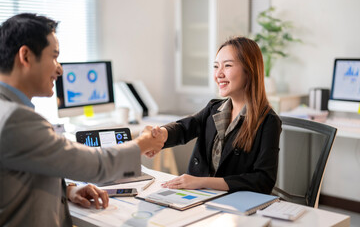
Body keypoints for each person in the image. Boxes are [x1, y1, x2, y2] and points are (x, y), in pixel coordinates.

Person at [0, 13, 163, 226]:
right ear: (26, 56)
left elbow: (19, 175)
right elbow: (96, 165)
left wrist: (68, 189)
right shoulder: (16, 119)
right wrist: (142, 144)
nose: (59, 69)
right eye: (54, 57)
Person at [149, 36, 282, 194]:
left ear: (249, 70)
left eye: (227, 66)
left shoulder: (268, 121)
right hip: (199, 197)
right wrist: (159, 136)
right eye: (215, 66)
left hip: (233, 205)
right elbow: (183, 128)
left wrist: (203, 182)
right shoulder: (213, 109)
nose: (218, 74)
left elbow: (263, 180)